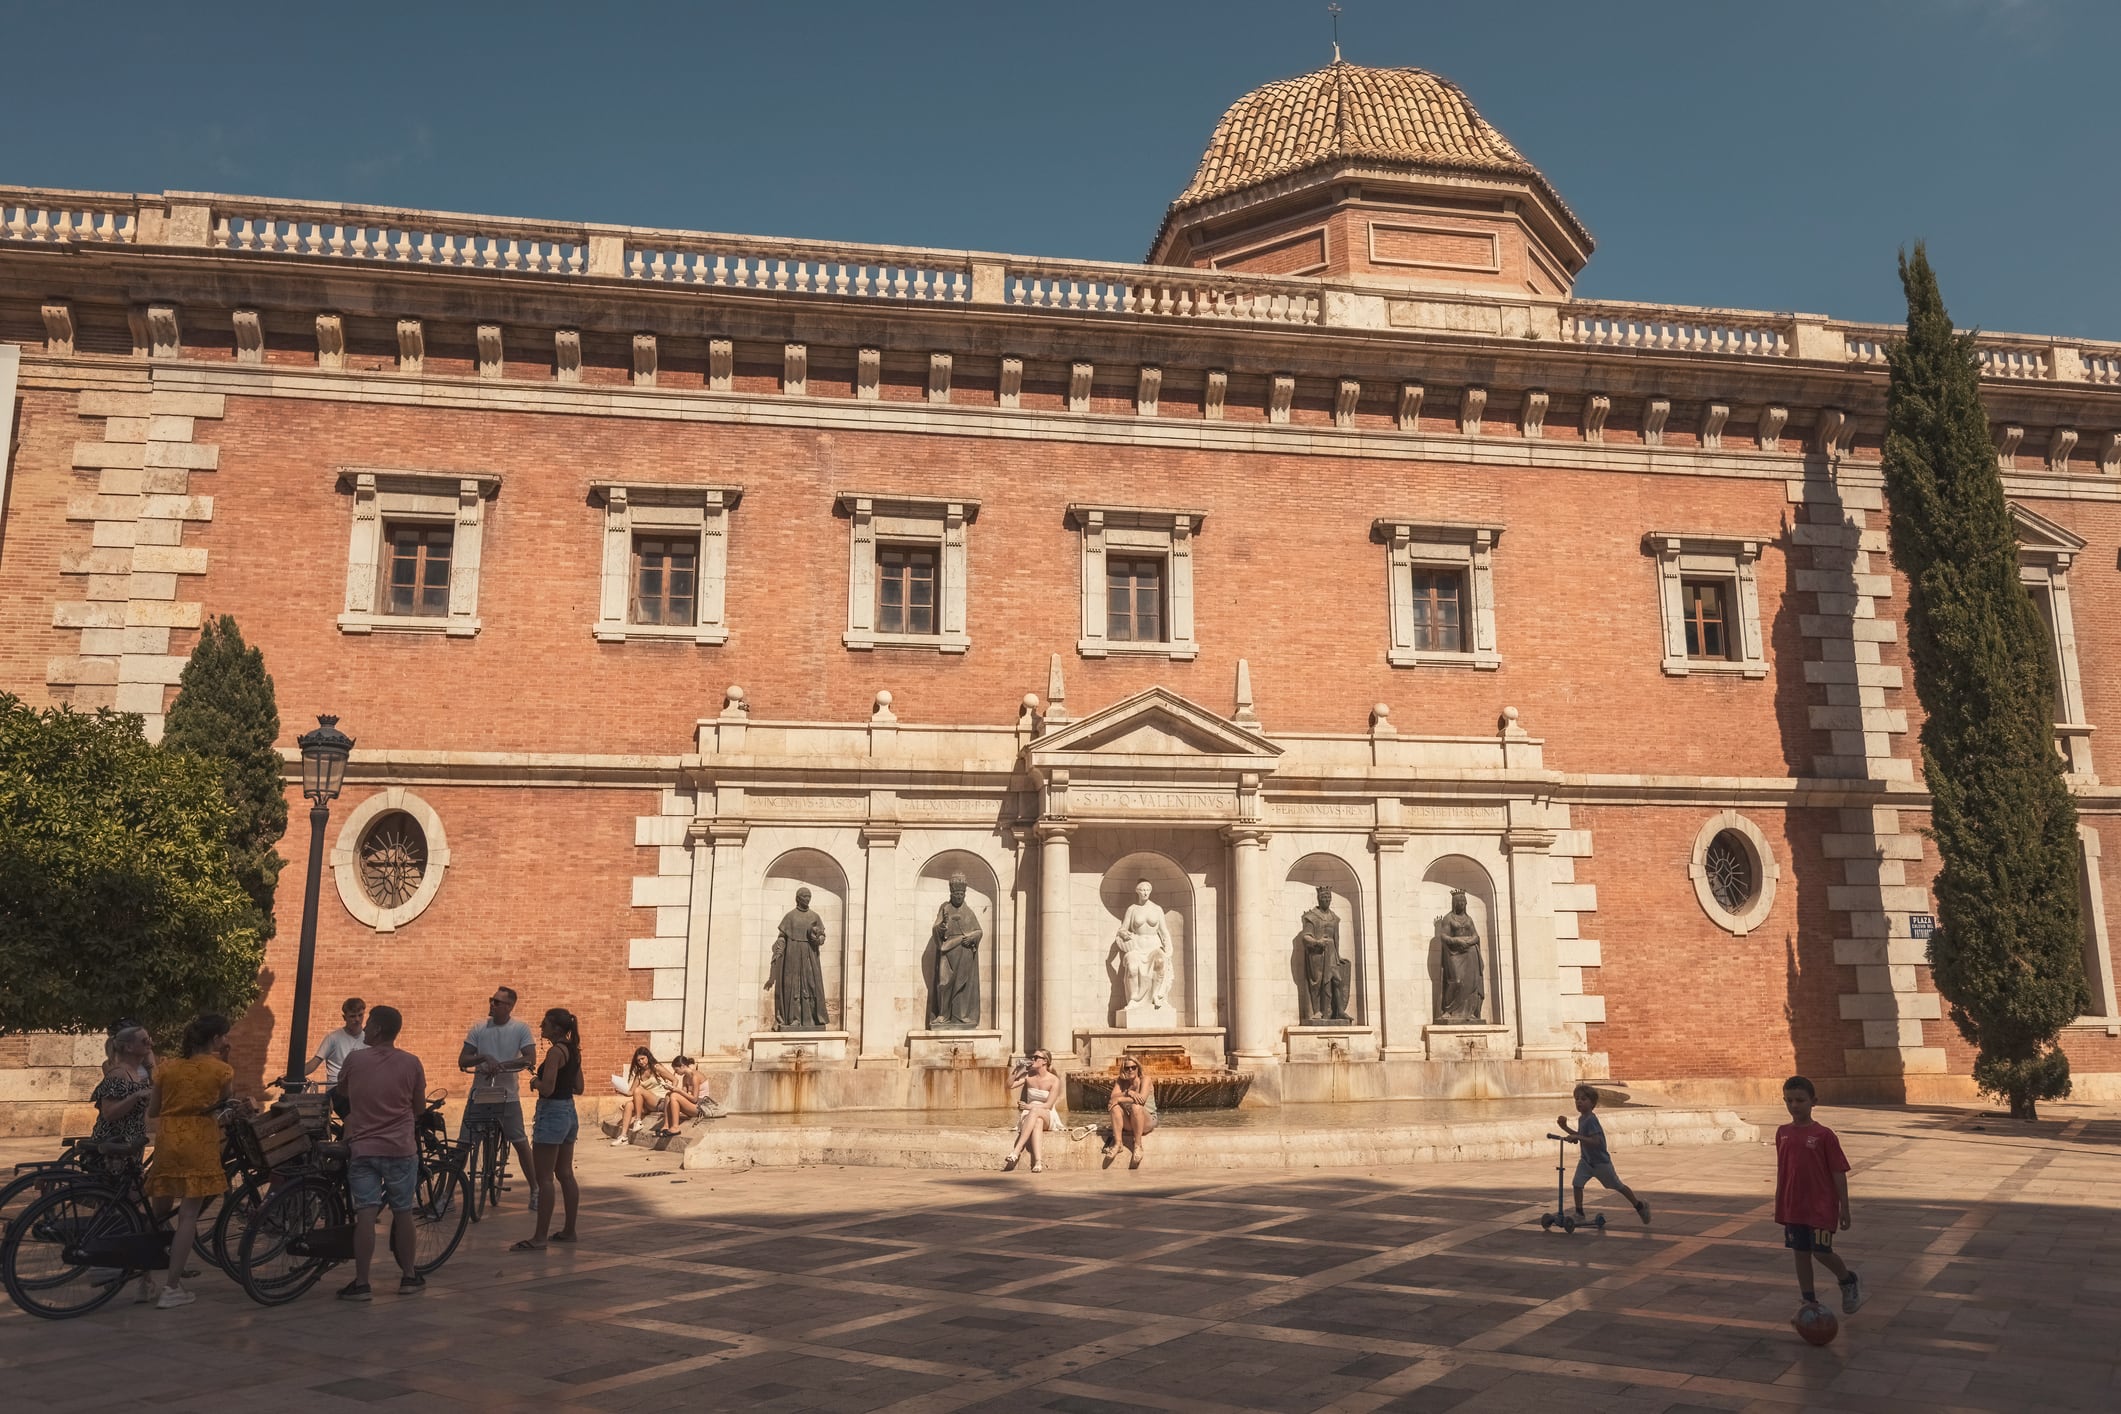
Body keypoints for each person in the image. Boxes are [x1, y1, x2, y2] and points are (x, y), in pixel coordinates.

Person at [333, 1004, 426, 1301]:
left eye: (370, 1023)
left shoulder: (355, 1060)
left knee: (366, 1215)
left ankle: (362, 1282)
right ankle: (409, 1276)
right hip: (400, 1148)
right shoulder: (412, 1063)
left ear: (378, 1029)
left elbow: (343, 1092)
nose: (366, 1028)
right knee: (403, 1213)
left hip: (363, 1149)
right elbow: (420, 1107)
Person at [143, 1014, 234, 1309]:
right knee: (188, 1216)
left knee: (158, 1213)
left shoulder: (167, 1068)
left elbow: (154, 1110)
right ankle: (171, 1286)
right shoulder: (221, 1070)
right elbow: (227, 1105)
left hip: (168, 1140)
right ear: (216, 1039)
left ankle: (144, 1280)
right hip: (200, 1140)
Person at [1776, 1075, 1863, 1328]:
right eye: (1789, 1100)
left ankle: (1847, 1280)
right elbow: (1784, 1169)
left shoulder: (1824, 1135)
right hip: (1794, 1206)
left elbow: (1838, 1171)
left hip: (1820, 1206)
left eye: (1800, 1100)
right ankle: (1808, 1301)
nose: (1795, 1106)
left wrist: (1843, 1206)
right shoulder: (1782, 1133)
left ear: (1813, 1101)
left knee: (1821, 1251)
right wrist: (1781, 1200)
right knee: (1800, 1253)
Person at [458, 985, 538, 1209]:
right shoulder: (479, 1028)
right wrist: (484, 1057)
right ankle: (447, 1193)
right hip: (480, 1094)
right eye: (491, 1000)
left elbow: (530, 1057)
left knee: (520, 1141)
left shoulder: (520, 1028)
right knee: (464, 1143)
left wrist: (502, 1065)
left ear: (510, 1006)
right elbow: (463, 1059)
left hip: (507, 1095)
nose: (491, 1004)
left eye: (497, 1002)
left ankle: (535, 1189)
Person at [515, 1008, 582, 1250]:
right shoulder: (574, 1050)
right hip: (569, 1112)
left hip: (552, 1113)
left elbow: (548, 1088)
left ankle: (540, 1237)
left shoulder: (555, 1052)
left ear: (555, 1028)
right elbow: (579, 1085)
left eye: (545, 1024)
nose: (541, 1027)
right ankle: (569, 1230)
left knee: (544, 1178)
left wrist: (535, 1081)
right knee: (565, 1174)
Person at [1556, 1084, 1650, 1224]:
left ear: (1593, 1103)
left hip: (1600, 1163)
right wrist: (1565, 1128)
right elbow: (1579, 1137)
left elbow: (1596, 1141)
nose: (1579, 1102)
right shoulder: (1582, 1119)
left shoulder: (1591, 1120)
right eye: (1577, 1099)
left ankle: (1639, 1205)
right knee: (1577, 1184)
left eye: (1583, 1099)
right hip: (1586, 1161)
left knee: (1617, 1186)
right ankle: (1579, 1212)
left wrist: (1578, 1138)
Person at [89, 1025, 155, 1167]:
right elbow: (109, 1113)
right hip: (115, 1147)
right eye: (144, 1041)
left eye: (149, 1039)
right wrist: (136, 1096)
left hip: (130, 1144)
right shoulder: (119, 1074)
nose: (150, 1044)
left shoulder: (135, 1073)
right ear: (129, 1047)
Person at [1004, 1050, 1063, 1173]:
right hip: (1031, 1115)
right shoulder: (1028, 1075)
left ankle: (1016, 1151)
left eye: (1036, 1057)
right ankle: (1038, 1162)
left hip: (1047, 1113)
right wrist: (1017, 1069)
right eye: (1032, 1057)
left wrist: (1028, 1106)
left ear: (1045, 1061)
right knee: (1037, 1123)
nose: (1033, 1059)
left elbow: (1048, 1105)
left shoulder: (1054, 1080)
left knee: (1036, 1112)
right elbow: (1009, 1085)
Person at [612, 1045, 674, 1145]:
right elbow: (631, 1092)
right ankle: (623, 1136)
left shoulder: (657, 1067)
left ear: (648, 1057)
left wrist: (672, 1092)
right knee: (628, 1105)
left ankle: (638, 1120)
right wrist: (620, 1091)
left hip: (660, 1101)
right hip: (647, 1103)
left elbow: (674, 1079)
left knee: (639, 1090)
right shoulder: (639, 1074)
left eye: (643, 1058)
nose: (641, 1062)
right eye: (638, 1060)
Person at [1104, 1056, 1156, 1170]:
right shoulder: (1121, 1081)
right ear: (1123, 1069)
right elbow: (1113, 1097)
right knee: (1114, 1106)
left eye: (1133, 1067)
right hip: (1132, 1121)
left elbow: (1141, 1099)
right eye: (1127, 1068)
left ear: (1138, 1068)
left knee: (1136, 1107)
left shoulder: (1145, 1079)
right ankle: (1118, 1144)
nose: (1130, 1070)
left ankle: (1138, 1146)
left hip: (1148, 1120)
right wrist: (1128, 1092)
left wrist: (1121, 1098)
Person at [306, 997, 368, 1085]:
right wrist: (291, 1075)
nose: (357, 1019)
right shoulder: (332, 1038)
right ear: (344, 1017)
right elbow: (314, 1063)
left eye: (360, 1015)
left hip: (360, 1090)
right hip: (336, 1090)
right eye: (352, 1016)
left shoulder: (369, 1039)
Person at [659, 1055, 722, 1131]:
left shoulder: (695, 1077)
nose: (675, 1073)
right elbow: (683, 1094)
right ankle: (666, 1125)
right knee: (668, 1095)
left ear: (682, 1066)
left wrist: (678, 1090)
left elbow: (695, 1099)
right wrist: (671, 1089)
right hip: (692, 1106)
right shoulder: (685, 1077)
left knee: (674, 1096)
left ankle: (675, 1127)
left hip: (700, 1107)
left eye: (676, 1070)